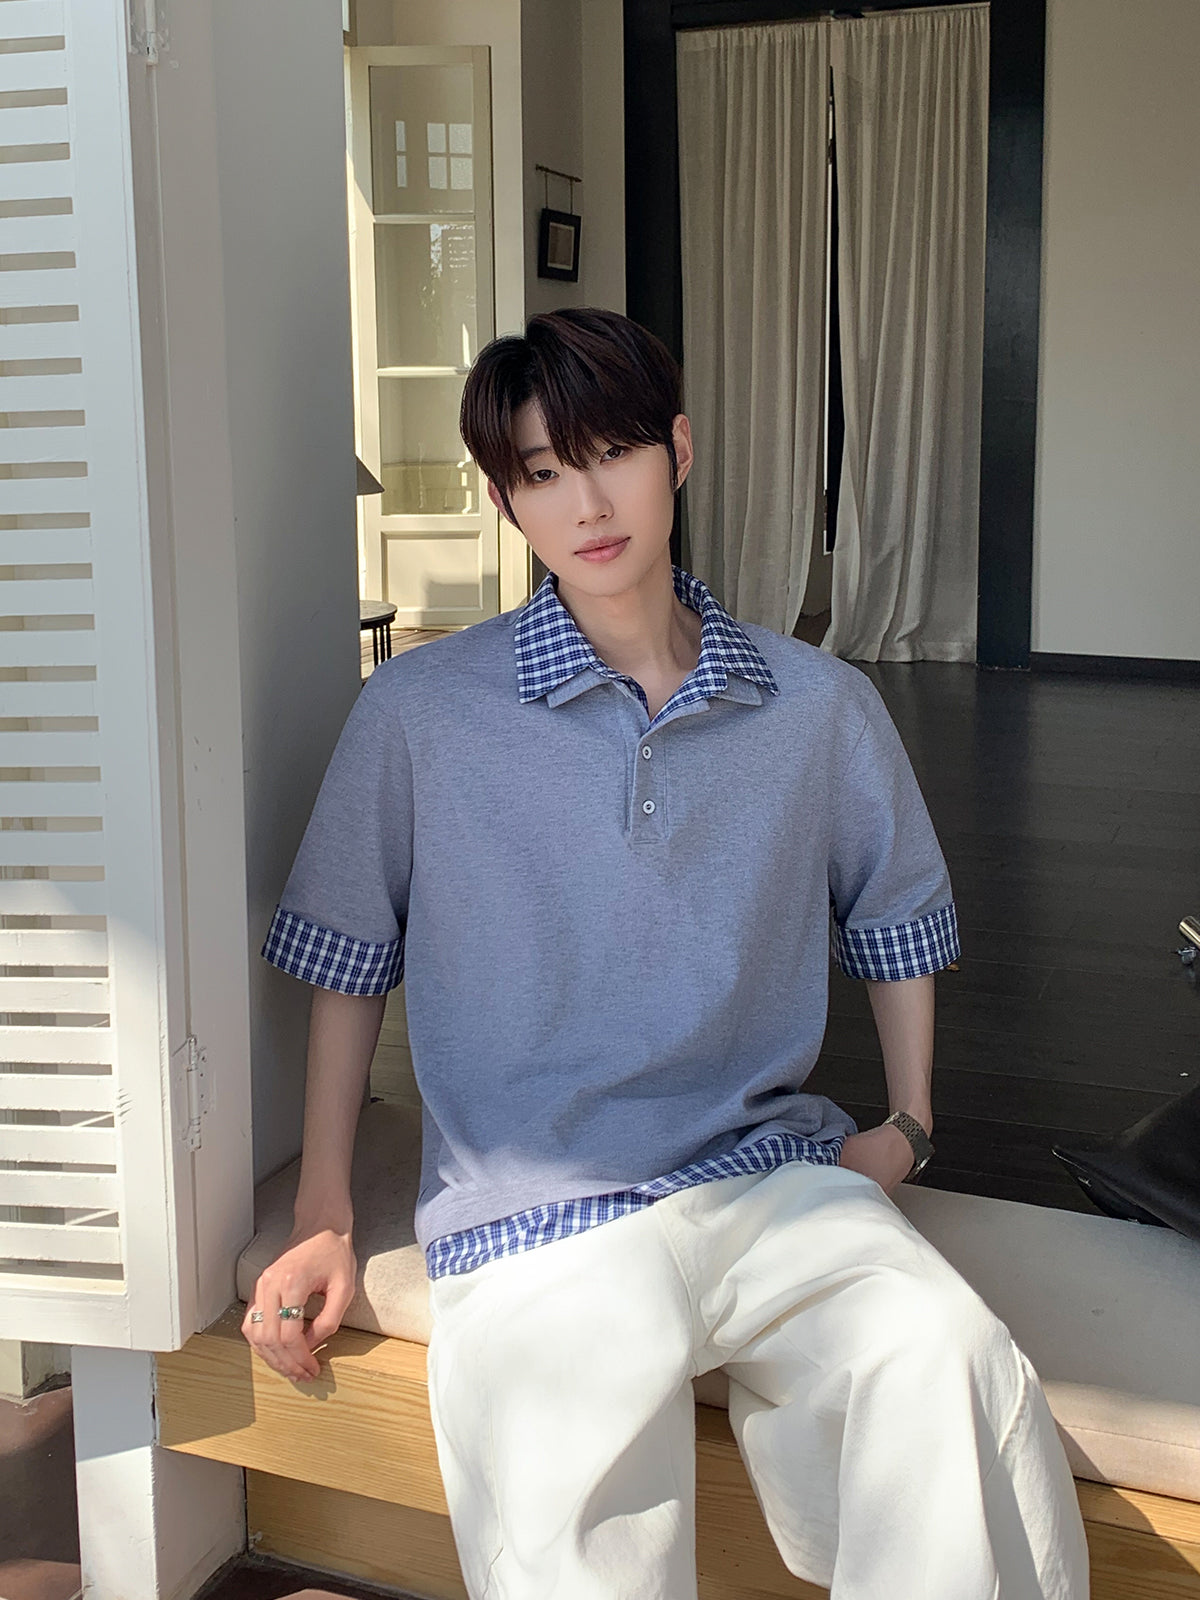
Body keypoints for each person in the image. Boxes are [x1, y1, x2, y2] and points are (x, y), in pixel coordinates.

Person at [243, 308, 1089, 1599]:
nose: (587, 504)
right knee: (571, 1493)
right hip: (538, 1208)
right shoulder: (419, 712)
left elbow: (898, 912)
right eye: (542, 472)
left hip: (770, 1173)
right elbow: (347, 961)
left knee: (945, 1359)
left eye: (613, 454)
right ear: (503, 500)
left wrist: (908, 1127)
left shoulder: (817, 703)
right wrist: (323, 1219)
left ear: (677, 452)